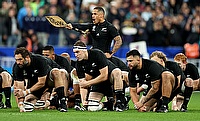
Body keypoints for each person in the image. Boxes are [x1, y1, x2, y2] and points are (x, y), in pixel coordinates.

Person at [73, 40, 125, 112]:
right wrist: (84, 101)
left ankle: (119, 103)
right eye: (74, 52)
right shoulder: (78, 64)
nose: (76, 55)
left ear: (84, 50)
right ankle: (107, 104)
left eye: (77, 52)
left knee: (117, 72)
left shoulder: (97, 54)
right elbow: (82, 84)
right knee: (92, 108)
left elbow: (104, 76)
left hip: (110, 78)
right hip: (98, 83)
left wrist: (88, 83)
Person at [13, 47, 67, 112]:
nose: (18, 62)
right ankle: (50, 102)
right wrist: (21, 104)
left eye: (20, 59)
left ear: (27, 57)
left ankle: (62, 102)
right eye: (16, 60)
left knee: (56, 72)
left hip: (50, 81)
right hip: (36, 83)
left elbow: (42, 82)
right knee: (28, 99)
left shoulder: (39, 60)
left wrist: (26, 92)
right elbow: (20, 89)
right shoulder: (17, 67)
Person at [42, 45, 81, 110]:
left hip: (66, 80)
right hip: (52, 84)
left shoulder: (62, 60)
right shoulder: (42, 62)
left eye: (47, 55)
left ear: (53, 55)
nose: (44, 57)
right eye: (43, 55)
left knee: (61, 72)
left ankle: (63, 99)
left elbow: (67, 75)